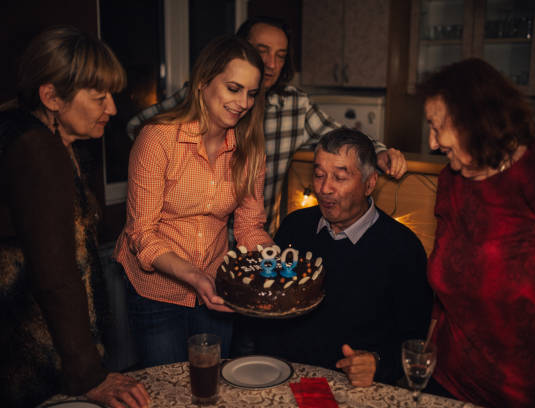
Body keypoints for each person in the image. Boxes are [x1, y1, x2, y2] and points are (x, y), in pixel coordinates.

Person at [417, 58, 535, 408]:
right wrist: (429, 351)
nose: (431, 143)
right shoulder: (452, 180)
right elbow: (446, 279)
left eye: (436, 126)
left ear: (472, 120)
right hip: (453, 385)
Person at [126, 16, 409, 234]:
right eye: (262, 51)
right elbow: (139, 126)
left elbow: (342, 138)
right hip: (182, 251)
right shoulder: (202, 95)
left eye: (281, 55)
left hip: (253, 241)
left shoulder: (293, 106)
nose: (271, 64)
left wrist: (379, 152)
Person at [0, 26, 149, 408]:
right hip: (32, 361)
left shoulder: (37, 137)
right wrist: (87, 373)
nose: (112, 109)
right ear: (51, 96)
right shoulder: (36, 149)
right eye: (99, 97)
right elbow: (55, 275)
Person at [113, 35, 273, 368]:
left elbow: (248, 225)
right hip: (156, 289)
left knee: (211, 385)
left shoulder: (251, 150)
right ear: (202, 82)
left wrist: (273, 266)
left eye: (251, 93)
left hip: (216, 287)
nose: (244, 102)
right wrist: (195, 277)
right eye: (233, 88)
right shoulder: (158, 138)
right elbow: (141, 232)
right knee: (169, 391)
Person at [236, 128, 432, 387]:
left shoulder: (403, 249)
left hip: (348, 386)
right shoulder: (295, 227)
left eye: (339, 177)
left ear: (370, 183)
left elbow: (414, 342)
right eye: (318, 175)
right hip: (280, 377)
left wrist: (377, 362)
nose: (325, 188)